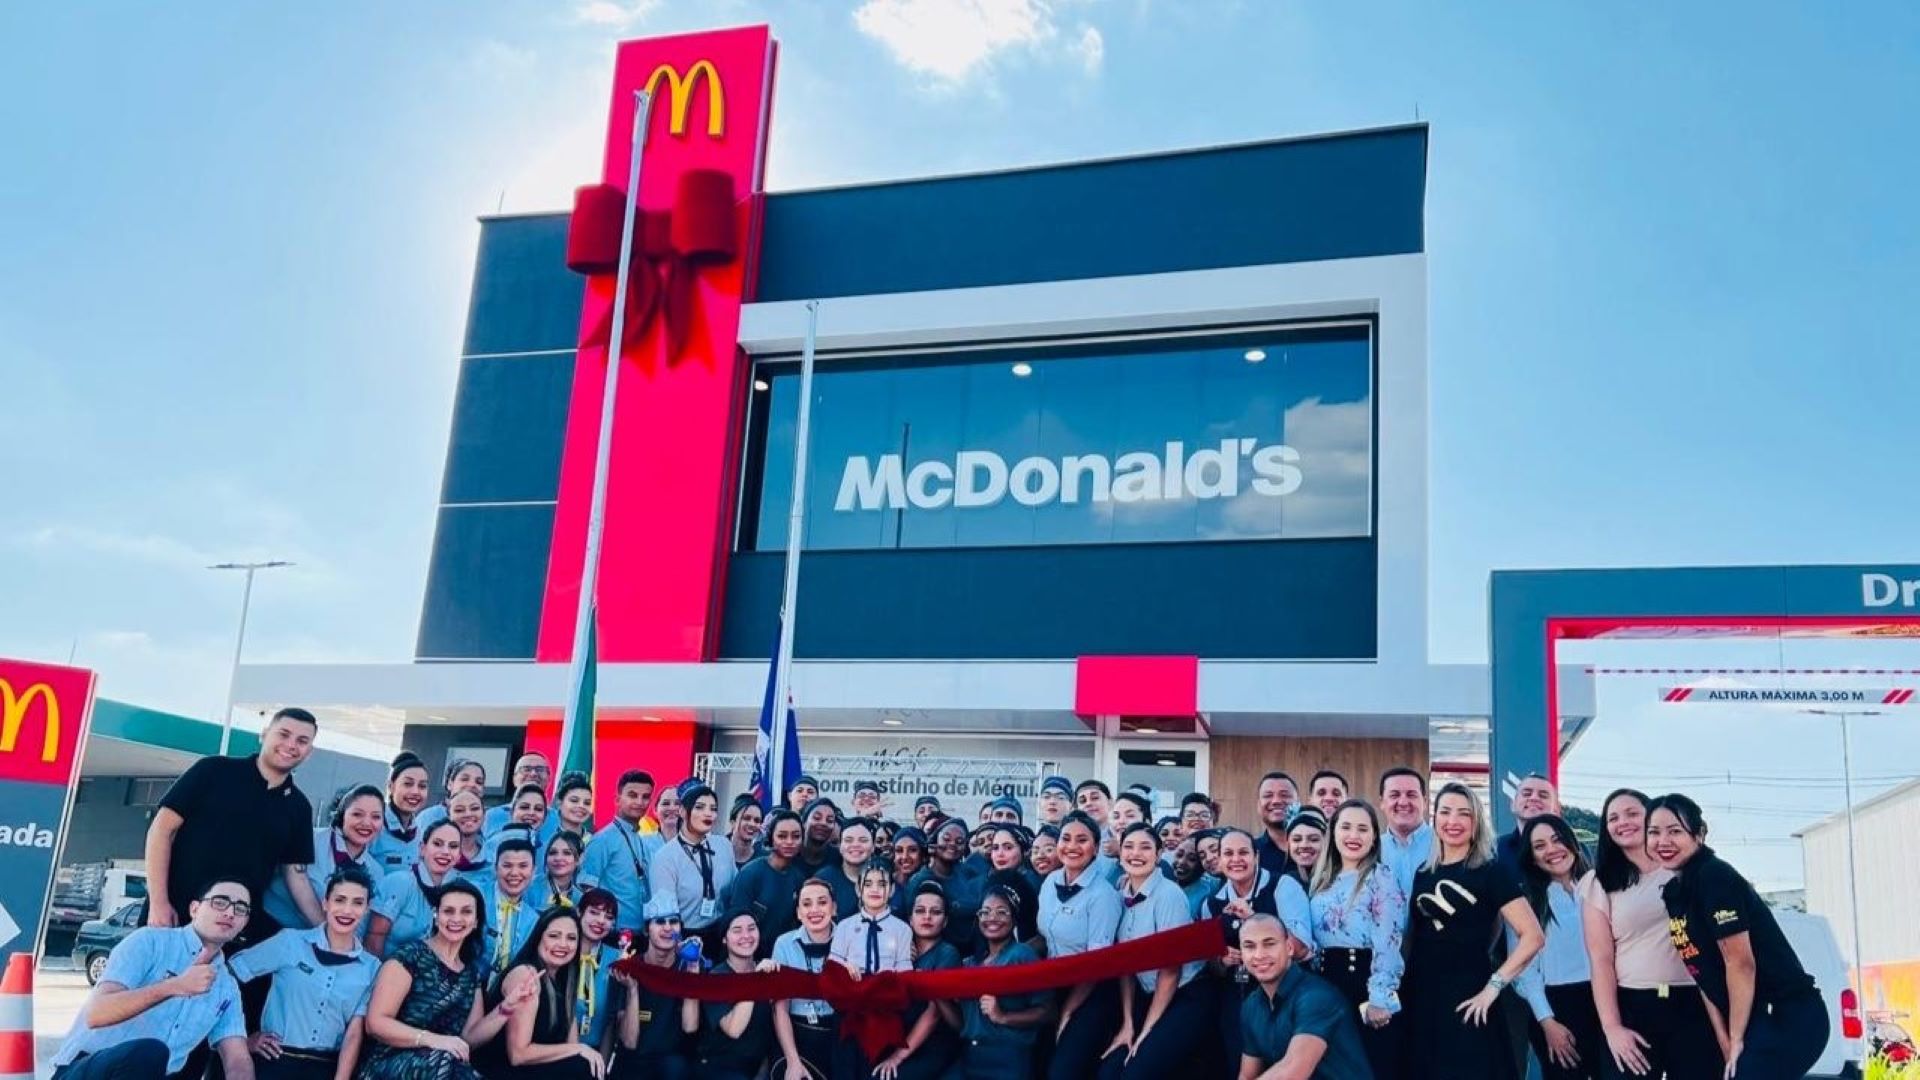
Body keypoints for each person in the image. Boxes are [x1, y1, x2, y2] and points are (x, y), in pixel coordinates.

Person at [1650, 794, 1828, 1080]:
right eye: (1654, 832)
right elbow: (1700, 973)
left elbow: (1741, 964)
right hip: (1746, 1019)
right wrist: (1724, 1039)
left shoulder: (1714, 877)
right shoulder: (1676, 892)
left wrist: (1737, 1038)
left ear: (1700, 834)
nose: (1663, 841)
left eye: (1675, 831)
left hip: (1785, 1015)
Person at [1403, 782, 1546, 1080]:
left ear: (1476, 821)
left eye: (1463, 814)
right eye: (1445, 812)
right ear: (1435, 818)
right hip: (1421, 998)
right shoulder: (1422, 873)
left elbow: (1532, 936)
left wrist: (1493, 987)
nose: (1453, 821)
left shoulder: (1492, 871)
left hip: (1470, 999)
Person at [50, 877, 256, 1080]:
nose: (229, 912)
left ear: (244, 923)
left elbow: (237, 1060)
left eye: (240, 909)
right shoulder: (150, 942)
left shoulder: (226, 988)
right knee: (150, 1052)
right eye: (219, 902)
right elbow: (97, 1013)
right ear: (194, 909)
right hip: (92, 1069)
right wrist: (175, 986)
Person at [1580, 788, 1722, 1080]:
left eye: (1633, 813)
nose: (1623, 822)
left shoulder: (1689, 870)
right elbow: (1601, 960)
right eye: (1613, 818)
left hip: (1696, 1002)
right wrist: (1613, 1028)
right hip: (1634, 1006)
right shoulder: (1599, 882)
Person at [145, 706, 318, 932]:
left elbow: (297, 878)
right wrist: (159, 904)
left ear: (309, 752)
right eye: (283, 734)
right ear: (264, 735)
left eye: (302, 741)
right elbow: (161, 831)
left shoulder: (299, 807)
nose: (291, 745)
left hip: (234, 933)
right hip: (173, 918)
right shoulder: (213, 771)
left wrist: (327, 929)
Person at [359, 878, 524, 1080]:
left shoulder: (471, 974)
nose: (456, 919)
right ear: (436, 916)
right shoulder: (410, 956)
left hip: (443, 1066)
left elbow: (469, 1038)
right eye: (448, 911)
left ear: (476, 922)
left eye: (466, 912)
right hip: (391, 1062)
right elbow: (375, 1023)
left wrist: (507, 1007)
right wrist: (433, 1040)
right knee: (446, 1061)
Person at [232, 867, 382, 1080]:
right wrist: (243, 1039)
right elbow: (230, 975)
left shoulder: (372, 968)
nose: (347, 910)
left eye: (357, 903)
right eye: (340, 900)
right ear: (325, 903)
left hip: (326, 1067)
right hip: (275, 1060)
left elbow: (354, 1033)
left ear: (367, 909)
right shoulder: (290, 942)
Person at [1307, 800, 1407, 1080]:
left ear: (1374, 836)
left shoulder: (1381, 877)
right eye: (1346, 827)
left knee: (1368, 1068)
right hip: (1325, 984)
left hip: (1363, 983)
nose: (1354, 836)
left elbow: (1388, 940)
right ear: (1333, 832)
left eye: (1363, 829)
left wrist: (1379, 997)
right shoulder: (1321, 879)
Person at [1099, 822, 1207, 1080]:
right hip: (1145, 993)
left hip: (1185, 993)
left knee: (1137, 1071)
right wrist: (1128, 1023)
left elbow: (1171, 969)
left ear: (1159, 855)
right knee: (1108, 1071)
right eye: (1129, 847)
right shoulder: (1119, 894)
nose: (1136, 854)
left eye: (1145, 847)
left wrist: (1145, 1032)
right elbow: (1124, 964)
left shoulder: (1169, 895)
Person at [1203, 827, 1309, 1077]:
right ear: (1219, 859)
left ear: (1256, 856)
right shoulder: (1211, 903)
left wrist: (1255, 919)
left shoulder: (1282, 886)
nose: (1236, 859)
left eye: (1243, 852)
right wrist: (1221, 959)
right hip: (1235, 998)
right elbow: (1209, 965)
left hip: (1284, 995)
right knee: (1237, 1066)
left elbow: (1303, 949)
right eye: (1228, 853)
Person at [1513, 814, 1604, 1080]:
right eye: (1539, 846)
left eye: (1557, 839)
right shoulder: (1525, 899)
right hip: (1557, 1006)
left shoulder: (1597, 887)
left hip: (1604, 999)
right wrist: (1547, 1022)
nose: (1552, 850)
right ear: (1531, 856)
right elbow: (1524, 971)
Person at [1236, 913, 1373, 1080]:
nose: (1259, 955)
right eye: (1249, 946)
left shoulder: (1317, 996)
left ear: (1289, 948)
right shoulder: (1252, 1005)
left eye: (1269, 944)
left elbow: (1293, 1072)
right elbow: (1247, 1075)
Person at [1040, 811, 1124, 1080]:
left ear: (1096, 848)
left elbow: (1095, 965)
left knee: (1063, 1072)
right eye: (1066, 838)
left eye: (1082, 840)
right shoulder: (1049, 882)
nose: (1072, 846)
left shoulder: (1103, 896)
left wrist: (1067, 1011)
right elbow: (1045, 937)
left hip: (1091, 992)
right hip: (1054, 986)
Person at [479, 907, 603, 1080]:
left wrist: (578, 1050)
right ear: (538, 938)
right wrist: (579, 1049)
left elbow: (572, 1047)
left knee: (589, 1067)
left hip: (539, 1072)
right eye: (554, 936)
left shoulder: (564, 982)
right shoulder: (527, 975)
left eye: (571, 938)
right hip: (502, 1071)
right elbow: (518, 1054)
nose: (563, 944)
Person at [949, 886, 1048, 1080]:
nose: (992, 918)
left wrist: (1002, 1016)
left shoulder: (1022, 955)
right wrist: (934, 992)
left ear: (1014, 919)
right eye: (985, 912)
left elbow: (1048, 1011)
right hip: (970, 1055)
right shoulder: (969, 964)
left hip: (1008, 1057)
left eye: (1001, 912)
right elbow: (962, 1022)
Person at [870, 881, 963, 1080]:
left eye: (935, 912)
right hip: (897, 1034)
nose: (927, 917)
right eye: (920, 911)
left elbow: (934, 1013)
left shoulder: (948, 953)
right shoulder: (900, 949)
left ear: (945, 921)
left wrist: (897, 1057)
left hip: (932, 1042)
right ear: (910, 919)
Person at [264, 784, 385, 932]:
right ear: (342, 814)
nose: (367, 823)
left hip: (319, 946)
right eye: (357, 814)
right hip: (270, 929)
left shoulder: (376, 872)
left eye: (376, 817)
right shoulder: (307, 840)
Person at [613, 896, 698, 1079]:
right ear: (646, 930)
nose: (668, 927)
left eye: (673, 922)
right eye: (660, 922)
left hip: (671, 1065)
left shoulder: (687, 968)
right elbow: (629, 1042)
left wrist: (692, 971)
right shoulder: (629, 968)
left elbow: (690, 1027)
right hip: (633, 1062)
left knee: (675, 1067)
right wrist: (633, 991)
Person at [682, 912, 775, 1080]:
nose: (746, 936)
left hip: (757, 1067)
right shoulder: (717, 978)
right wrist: (756, 980)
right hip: (718, 1067)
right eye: (737, 930)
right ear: (724, 939)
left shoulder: (767, 969)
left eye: (751, 929)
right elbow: (733, 1029)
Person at [650, 784, 738, 952]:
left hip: (720, 936)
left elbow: (734, 892)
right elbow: (664, 914)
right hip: (682, 939)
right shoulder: (665, 857)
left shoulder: (724, 846)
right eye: (699, 807)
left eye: (713, 809)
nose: (708, 813)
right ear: (682, 811)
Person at [770, 878, 842, 1079]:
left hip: (839, 1036)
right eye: (807, 904)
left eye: (822, 902)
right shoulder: (784, 944)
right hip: (797, 1035)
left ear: (834, 908)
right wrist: (793, 1061)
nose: (815, 910)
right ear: (799, 913)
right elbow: (780, 1009)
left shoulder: (849, 939)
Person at [367, 821, 466, 959]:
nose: (445, 852)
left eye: (453, 846)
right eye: (437, 844)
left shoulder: (453, 892)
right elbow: (374, 938)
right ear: (422, 848)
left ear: (459, 856)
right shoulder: (400, 882)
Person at [580, 770, 656, 936]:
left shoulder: (641, 839)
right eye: (632, 795)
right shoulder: (603, 839)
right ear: (617, 799)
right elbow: (588, 889)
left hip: (640, 932)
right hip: (612, 933)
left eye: (645, 797)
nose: (639, 802)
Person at [730, 809, 810, 948]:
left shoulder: (799, 878)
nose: (789, 842)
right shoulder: (751, 873)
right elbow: (735, 922)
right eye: (782, 836)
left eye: (796, 836)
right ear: (771, 838)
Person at [571, 889, 622, 1058]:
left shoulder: (617, 959)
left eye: (609, 917)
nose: (601, 921)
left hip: (596, 1052)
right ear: (579, 913)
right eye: (594, 912)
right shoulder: (563, 951)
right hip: (557, 1051)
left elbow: (611, 1022)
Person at [484, 838, 540, 977]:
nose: (514, 873)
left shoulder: (532, 919)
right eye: (507, 865)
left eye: (523, 866)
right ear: (495, 868)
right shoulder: (477, 898)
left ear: (533, 871)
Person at [1377, 767, 1434, 899]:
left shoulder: (1443, 845)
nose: (1403, 802)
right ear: (1382, 803)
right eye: (1394, 795)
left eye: (1411, 795)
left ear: (1425, 802)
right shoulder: (1372, 850)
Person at [373, 753, 434, 875]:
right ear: (391, 787)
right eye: (408, 784)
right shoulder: (374, 826)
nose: (415, 792)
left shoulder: (419, 832)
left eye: (422, 786)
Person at [1498, 773, 1561, 875]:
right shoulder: (1495, 851)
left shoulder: (1573, 850)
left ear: (1556, 809)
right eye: (1527, 794)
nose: (1534, 798)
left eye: (1543, 795)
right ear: (1513, 805)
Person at [984, 825, 1041, 939]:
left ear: (1024, 851)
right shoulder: (989, 880)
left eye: (1008, 847)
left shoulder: (1032, 884)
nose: (1000, 854)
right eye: (995, 848)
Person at [815, 816, 877, 918]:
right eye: (848, 840)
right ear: (840, 845)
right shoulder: (823, 879)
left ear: (873, 846)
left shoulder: (884, 880)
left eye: (863, 840)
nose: (855, 845)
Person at [484, 753, 554, 836]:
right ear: (514, 778)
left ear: (549, 778)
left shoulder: (557, 818)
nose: (533, 774)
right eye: (526, 769)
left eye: (539, 769)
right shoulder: (491, 816)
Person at [416, 759, 487, 835]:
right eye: (465, 779)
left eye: (479, 782)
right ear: (450, 784)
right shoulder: (430, 816)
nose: (472, 784)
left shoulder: (490, 818)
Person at [1253, 772, 1299, 879]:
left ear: (1298, 802)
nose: (1276, 801)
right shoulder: (1251, 852)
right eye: (1268, 795)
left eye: (1284, 795)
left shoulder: (1319, 849)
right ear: (1258, 805)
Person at [532, 831, 586, 911]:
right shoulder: (530, 887)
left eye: (567, 853)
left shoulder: (580, 898)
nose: (558, 858)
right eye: (553, 853)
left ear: (579, 859)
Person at [446, 790, 491, 881]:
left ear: (484, 814)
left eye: (474, 808)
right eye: (459, 810)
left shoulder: (495, 859)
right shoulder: (435, 856)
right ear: (448, 816)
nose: (468, 814)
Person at [1285, 808, 1328, 889]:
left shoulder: (1338, 881)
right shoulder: (1283, 884)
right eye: (1297, 839)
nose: (1304, 845)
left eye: (1314, 839)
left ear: (1326, 842)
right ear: (1288, 844)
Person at [551, 774, 595, 849]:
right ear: (559, 802)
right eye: (574, 800)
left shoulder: (594, 841)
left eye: (587, 803)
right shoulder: (544, 837)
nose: (581, 806)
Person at [798, 798, 842, 874]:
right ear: (804, 823)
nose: (823, 823)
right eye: (817, 818)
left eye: (829, 821)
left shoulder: (839, 858)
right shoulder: (791, 852)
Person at [891, 826, 928, 911]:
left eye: (912, 850)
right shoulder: (885, 883)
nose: (905, 857)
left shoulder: (930, 883)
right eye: (899, 850)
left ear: (923, 855)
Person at [727, 795, 764, 868]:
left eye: (757, 820)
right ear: (733, 822)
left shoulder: (763, 861)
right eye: (746, 818)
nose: (752, 824)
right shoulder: (716, 852)